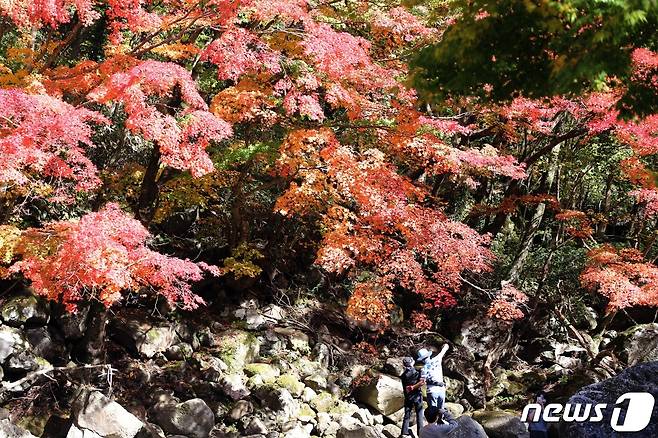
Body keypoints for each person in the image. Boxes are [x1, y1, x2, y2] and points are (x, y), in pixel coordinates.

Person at [418, 344, 449, 409]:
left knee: (433, 412)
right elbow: (444, 349)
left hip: (432, 391)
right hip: (441, 389)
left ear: (422, 360)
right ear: (428, 355)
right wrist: (445, 346)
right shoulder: (437, 359)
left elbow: (423, 381)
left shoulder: (423, 369)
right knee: (441, 410)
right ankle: (441, 419)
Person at [401, 356, 424, 436]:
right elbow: (421, 383)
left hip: (408, 397)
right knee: (420, 414)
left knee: (407, 415)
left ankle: (404, 432)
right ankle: (420, 433)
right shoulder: (417, 372)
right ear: (411, 363)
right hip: (417, 396)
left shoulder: (403, 375)